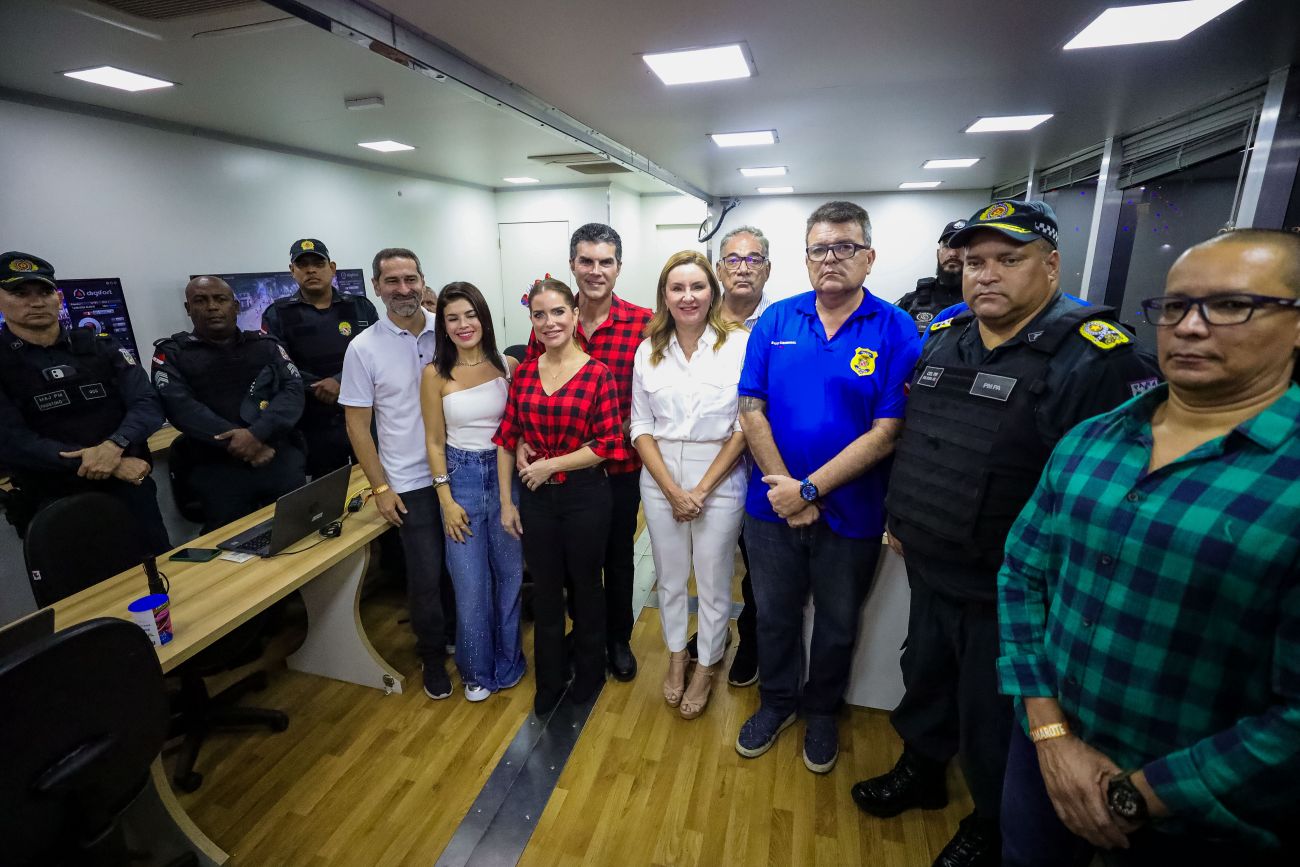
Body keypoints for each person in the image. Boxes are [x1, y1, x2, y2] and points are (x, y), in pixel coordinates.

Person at [854, 200, 1161, 867]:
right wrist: (901, 518)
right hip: (933, 560)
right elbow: (924, 439)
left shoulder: (1096, 357)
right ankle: (922, 768)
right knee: (924, 673)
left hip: (1015, 587)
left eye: (1007, 259)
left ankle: (991, 821)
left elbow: (1118, 489)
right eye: (974, 262)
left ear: (1050, 266)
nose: (985, 274)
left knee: (995, 712)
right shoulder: (948, 335)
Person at [997, 230, 1300, 867]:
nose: (1190, 327)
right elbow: (1022, 575)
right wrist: (1049, 734)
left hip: (1205, 816)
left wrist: (1139, 796)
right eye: (1175, 306)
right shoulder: (1091, 441)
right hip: (1044, 756)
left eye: (1231, 305)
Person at [734, 200, 921, 773]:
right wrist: (786, 491)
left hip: (853, 513)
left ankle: (821, 711)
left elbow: (888, 431)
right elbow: (750, 408)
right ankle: (777, 702)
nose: (831, 259)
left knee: (838, 623)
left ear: (869, 257)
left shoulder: (896, 328)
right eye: (819, 249)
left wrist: (809, 491)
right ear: (806, 258)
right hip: (770, 508)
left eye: (845, 247)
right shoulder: (777, 320)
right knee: (774, 615)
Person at [519, 224, 652, 682]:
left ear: (618, 267)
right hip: (564, 479)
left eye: (605, 262)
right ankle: (584, 634)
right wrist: (522, 439)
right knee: (576, 565)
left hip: (619, 466)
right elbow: (533, 384)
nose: (596, 271)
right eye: (586, 261)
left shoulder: (643, 323)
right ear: (573, 264)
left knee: (617, 558)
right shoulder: (553, 317)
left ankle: (618, 639)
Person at [494, 277, 627, 716]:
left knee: (586, 588)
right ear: (532, 321)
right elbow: (507, 437)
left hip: (585, 497)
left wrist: (550, 464)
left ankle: (589, 672)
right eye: (539, 315)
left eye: (557, 312)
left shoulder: (597, 374)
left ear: (574, 315)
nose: (549, 322)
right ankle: (549, 679)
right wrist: (507, 503)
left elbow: (608, 444)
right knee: (547, 592)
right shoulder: (525, 373)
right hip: (536, 500)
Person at [631, 251, 748, 719]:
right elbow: (640, 425)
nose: (687, 296)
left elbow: (744, 425)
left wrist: (699, 491)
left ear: (712, 292)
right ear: (664, 295)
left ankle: (707, 664)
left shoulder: (738, 344)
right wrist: (672, 490)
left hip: (720, 473)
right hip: (660, 475)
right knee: (671, 575)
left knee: (715, 578)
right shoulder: (648, 350)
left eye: (697, 286)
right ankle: (677, 656)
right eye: (677, 288)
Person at [340, 248, 455, 699]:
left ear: (423, 280)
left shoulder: (448, 330)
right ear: (377, 287)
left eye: (411, 279)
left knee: (460, 569)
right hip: (409, 481)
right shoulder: (363, 348)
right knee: (425, 575)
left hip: (459, 470)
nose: (403, 289)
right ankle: (432, 657)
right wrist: (380, 487)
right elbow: (357, 425)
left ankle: (461, 638)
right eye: (393, 281)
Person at [0, 252, 169, 553]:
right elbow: (13, 440)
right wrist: (107, 464)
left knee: (159, 570)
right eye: (20, 293)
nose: (35, 302)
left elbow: (147, 403)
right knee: (86, 581)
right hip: (55, 501)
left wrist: (114, 445)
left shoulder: (102, 346)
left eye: (44, 292)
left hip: (130, 491)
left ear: (58, 298)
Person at [420, 281, 525, 702]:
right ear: (443, 326)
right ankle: (477, 671)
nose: (463, 325)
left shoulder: (507, 365)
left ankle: (509, 662)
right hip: (460, 480)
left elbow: (517, 429)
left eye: (470, 315)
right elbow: (433, 442)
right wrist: (445, 500)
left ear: (483, 317)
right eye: (453, 318)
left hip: (504, 479)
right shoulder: (435, 374)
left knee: (510, 577)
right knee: (470, 585)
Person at [152, 276, 305, 532]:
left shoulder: (266, 346)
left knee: (299, 532)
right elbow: (181, 407)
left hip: (275, 455)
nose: (212, 307)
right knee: (232, 545)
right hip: (217, 467)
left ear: (235, 306)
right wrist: (241, 441)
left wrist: (257, 435)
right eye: (201, 301)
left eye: (220, 299)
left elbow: (293, 391)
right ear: (188, 309)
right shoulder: (172, 354)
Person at [691, 225, 774, 688]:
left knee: (757, 566)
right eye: (733, 260)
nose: (743, 268)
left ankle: (751, 640)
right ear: (719, 269)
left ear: (767, 269)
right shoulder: (697, 317)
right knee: (709, 561)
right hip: (704, 466)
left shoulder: (779, 322)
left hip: (760, 466)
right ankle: (711, 634)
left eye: (753, 259)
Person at [261, 239, 379, 478]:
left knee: (377, 476)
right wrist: (317, 386)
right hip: (313, 420)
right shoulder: (277, 314)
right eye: (303, 265)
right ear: (292, 271)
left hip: (364, 412)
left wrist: (339, 381)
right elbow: (277, 363)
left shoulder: (360, 307)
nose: (311, 270)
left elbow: (378, 353)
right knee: (329, 487)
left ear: (332, 268)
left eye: (318, 263)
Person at [895, 220, 967, 335]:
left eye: (960, 245)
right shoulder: (910, 302)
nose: (953, 253)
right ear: (938, 253)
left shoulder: (984, 301)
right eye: (947, 245)